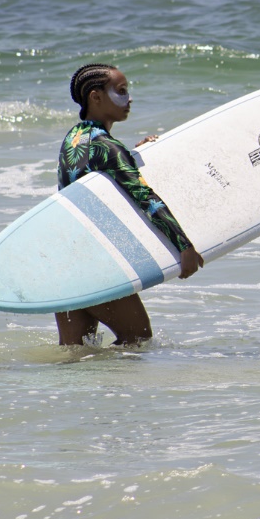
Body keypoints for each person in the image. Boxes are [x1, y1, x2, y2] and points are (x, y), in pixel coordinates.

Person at [55, 63, 204, 346]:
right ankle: (122, 392)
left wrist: (133, 155)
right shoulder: (109, 148)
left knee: (76, 356)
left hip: (69, 262)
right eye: (120, 91)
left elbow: (100, 186)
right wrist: (183, 245)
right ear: (96, 97)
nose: (129, 98)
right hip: (95, 265)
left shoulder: (74, 139)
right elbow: (143, 196)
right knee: (138, 338)